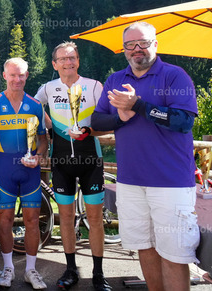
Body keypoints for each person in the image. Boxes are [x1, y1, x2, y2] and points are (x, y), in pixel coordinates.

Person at [91, 22, 199, 291]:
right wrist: (121, 117)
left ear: (155, 44)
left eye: (143, 43)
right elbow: (96, 122)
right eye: (130, 44)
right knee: (145, 247)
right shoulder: (115, 80)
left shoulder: (174, 76)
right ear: (124, 49)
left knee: (174, 255)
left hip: (170, 184)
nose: (137, 49)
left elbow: (184, 122)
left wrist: (138, 105)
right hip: (130, 182)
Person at [34, 42, 112, 291]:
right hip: (61, 163)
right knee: (66, 218)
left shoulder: (94, 86)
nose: (68, 62)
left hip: (91, 160)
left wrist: (88, 130)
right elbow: (32, 107)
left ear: (78, 61)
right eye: (63, 59)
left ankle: (98, 274)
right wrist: (50, 126)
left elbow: (110, 119)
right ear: (54, 64)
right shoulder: (48, 88)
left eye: (72, 58)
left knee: (95, 218)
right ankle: (71, 270)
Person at [0, 58, 48, 290]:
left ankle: (31, 269)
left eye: (21, 75)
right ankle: (8, 268)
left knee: (32, 221)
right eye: (12, 75)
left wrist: (39, 156)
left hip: (30, 173)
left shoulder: (36, 105)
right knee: (5, 220)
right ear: (5, 76)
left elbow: (43, 140)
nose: (17, 79)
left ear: (27, 76)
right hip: (4, 173)